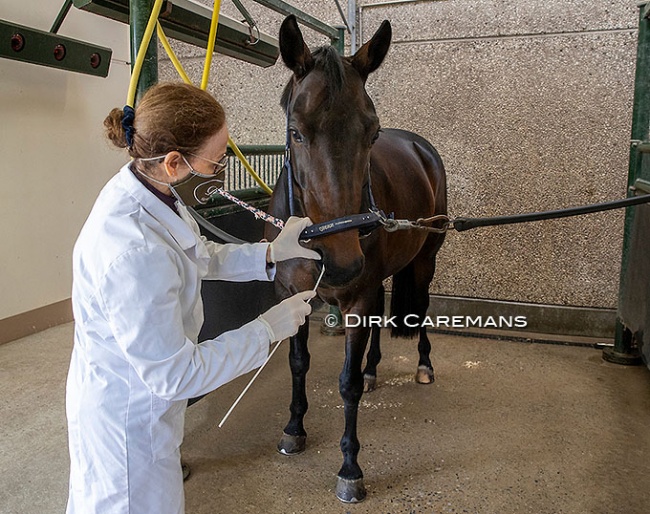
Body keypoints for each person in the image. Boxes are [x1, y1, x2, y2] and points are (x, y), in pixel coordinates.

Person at [65, 82, 320, 513]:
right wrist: (266, 330)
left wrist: (273, 253)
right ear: (173, 161)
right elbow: (176, 377)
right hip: (128, 420)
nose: (222, 165)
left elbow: (198, 255)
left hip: (145, 403)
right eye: (217, 158)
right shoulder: (133, 250)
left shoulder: (153, 190)